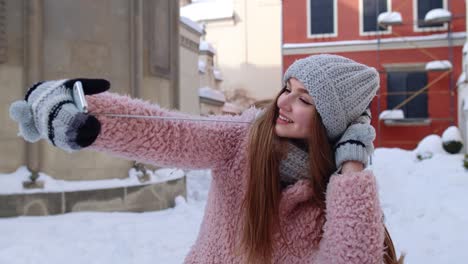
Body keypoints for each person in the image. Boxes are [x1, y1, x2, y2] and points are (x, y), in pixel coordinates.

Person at [9, 54, 401, 263]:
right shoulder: (241, 141)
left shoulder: (338, 196)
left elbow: (352, 259)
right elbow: (168, 131)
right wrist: (83, 109)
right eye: (287, 88)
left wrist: (351, 168)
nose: (283, 102)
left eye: (305, 99)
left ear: (332, 124)